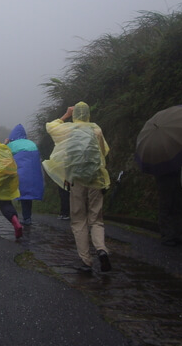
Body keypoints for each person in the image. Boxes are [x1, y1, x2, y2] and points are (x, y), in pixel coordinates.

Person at [42, 102, 112, 273]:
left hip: (76, 179)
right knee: (96, 219)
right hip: (95, 178)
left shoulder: (68, 129)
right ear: (88, 114)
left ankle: (86, 261)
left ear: (75, 115)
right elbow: (103, 153)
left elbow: (50, 127)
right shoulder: (96, 130)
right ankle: (101, 249)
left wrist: (65, 115)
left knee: (79, 220)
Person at [5, 124, 44, 226]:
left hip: (18, 174)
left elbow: (1, 155)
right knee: (27, 197)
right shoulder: (32, 144)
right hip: (33, 176)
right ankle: (27, 218)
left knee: (9, 195)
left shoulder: (11, 145)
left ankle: (14, 218)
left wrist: (5, 144)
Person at [155, 168, 182, 246]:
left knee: (178, 208)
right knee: (166, 208)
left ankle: (177, 234)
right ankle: (167, 236)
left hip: (176, 180)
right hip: (165, 182)